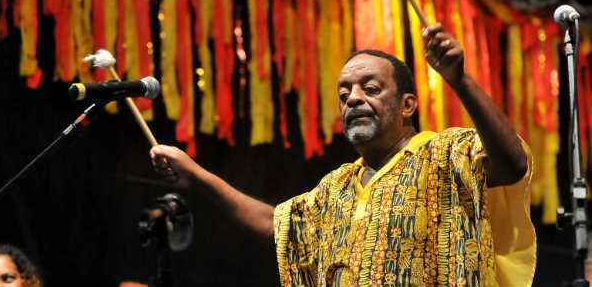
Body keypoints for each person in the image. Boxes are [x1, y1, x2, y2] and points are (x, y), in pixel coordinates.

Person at [150, 23, 536, 286]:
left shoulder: (447, 153)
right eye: (344, 93)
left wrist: (459, 79)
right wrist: (196, 175)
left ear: (407, 105)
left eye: (370, 87)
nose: (354, 98)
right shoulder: (336, 188)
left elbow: (511, 161)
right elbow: (275, 224)